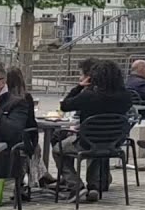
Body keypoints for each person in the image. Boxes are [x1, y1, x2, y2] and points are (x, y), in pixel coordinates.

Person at [54, 59, 133, 201]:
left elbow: (65, 106)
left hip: (88, 141)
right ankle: (94, 186)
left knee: (58, 149)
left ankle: (75, 185)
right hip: (113, 141)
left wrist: (79, 87)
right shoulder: (126, 97)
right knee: (100, 142)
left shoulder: (89, 96)